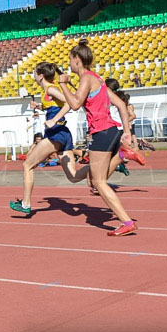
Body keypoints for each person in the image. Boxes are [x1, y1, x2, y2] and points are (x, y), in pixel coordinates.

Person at [57, 40, 137, 236]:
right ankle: (122, 155)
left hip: (100, 133)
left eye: (70, 60)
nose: (69, 64)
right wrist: (126, 132)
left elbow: (75, 104)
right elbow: (120, 104)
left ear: (77, 60)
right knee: (94, 181)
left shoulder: (86, 79)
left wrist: (63, 85)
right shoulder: (98, 79)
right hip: (112, 131)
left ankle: (126, 222)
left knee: (99, 183)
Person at [9, 63, 74, 214]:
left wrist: (53, 120)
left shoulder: (51, 88)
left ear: (40, 75)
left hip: (55, 133)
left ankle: (25, 204)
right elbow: (55, 105)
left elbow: (70, 103)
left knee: (27, 165)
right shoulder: (49, 89)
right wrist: (39, 106)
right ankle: (104, 168)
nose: (33, 74)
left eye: (34, 72)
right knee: (73, 176)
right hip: (63, 133)